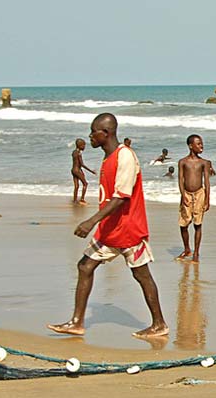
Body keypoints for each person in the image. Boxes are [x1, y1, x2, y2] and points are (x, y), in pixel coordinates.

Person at [48, 113, 168, 339]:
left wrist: (91, 220)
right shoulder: (108, 158)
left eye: (93, 132)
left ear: (106, 133)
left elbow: (121, 197)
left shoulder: (125, 156)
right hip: (110, 229)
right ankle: (76, 322)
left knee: (142, 275)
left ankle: (159, 324)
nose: (89, 136)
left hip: (128, 229)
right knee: (85, 266)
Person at [176, 134, 212, 262]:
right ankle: (187, 249)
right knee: (183, 224)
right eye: (198, 144)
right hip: (186, 193)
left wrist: (207, 199)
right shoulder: (182, 162)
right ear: (191, 146)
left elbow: (207, 181)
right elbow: (180, 179)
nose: (201, 146)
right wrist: (182, 194)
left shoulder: (204, 163)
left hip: (200, 194)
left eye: (201, 143)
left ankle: (196, 252)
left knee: (198, 224)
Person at [71, 138, 96, 204]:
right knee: (85, 184)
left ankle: (75, 200)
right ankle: (82, 199)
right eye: (83, 145)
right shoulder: (79, 153)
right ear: (79, 145)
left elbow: (76, 163)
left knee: (76, 186)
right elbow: (82, 164)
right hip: (77, 170)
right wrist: (91, 171)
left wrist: (80, 170)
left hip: (73, 170)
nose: (84, 147)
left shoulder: (74, 152)